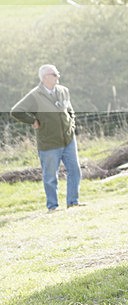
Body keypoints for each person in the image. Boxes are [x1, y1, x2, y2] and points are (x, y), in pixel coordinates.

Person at [11, 64, 83, 212]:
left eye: (58, 74)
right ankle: (52, 206)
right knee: (50, 177)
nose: (58, 77)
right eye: (55, 74)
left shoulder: (64, 91)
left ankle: (73, 202)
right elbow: (16, 111)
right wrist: (33, 121)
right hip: (49, 143)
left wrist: (72, 124)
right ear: (45, 78)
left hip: (68, 139)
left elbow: (70, 110)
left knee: (75, 171)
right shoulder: (34, 95)